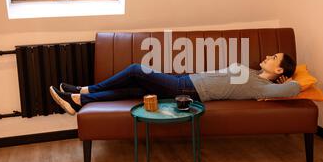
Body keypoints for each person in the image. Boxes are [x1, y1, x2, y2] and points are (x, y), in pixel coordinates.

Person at [49, 53, 300, 115]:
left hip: (188, 89)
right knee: (135, 89)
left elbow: (295, 88)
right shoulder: (255, 74)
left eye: (273, 58)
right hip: (186, 81)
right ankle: (81, 101)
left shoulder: (262, 87)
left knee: (138, 69)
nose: (267, 56)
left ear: (279, 70)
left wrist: (288, 82)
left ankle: (86, 90)